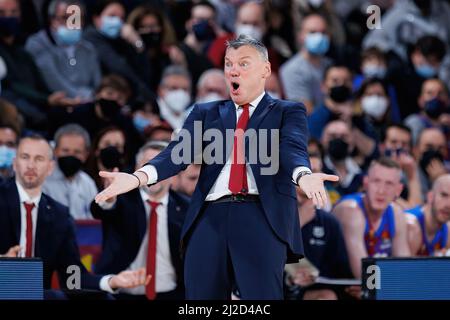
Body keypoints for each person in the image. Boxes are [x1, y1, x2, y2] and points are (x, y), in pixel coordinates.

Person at [95, 35, 338, 300]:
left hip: (261, 215)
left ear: (266, 70)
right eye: (228, 64)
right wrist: (136, 178)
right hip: (209, 217)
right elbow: (178, 153)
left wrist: (303, 176)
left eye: (244, 64)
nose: (233, 70)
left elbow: (291, 149)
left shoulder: (287, 111)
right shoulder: (205, 113)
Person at [0, 135, 150, 295]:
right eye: (25, 157)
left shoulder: (59, 215)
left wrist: (112, 281)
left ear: (50, 167)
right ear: (15, 163)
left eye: (39, 159)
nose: (31, 164)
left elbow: (73, 277)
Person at [91, 141, 190, 300]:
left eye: (160, 167)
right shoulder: (124, 199)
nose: (154, 175)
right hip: (122, 294)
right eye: (147, 166)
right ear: (138, 170)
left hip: (172, 294)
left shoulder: (186, 207)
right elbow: (101, 210)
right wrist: (109, 198)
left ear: (172, 173)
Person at [333, 157, 411, 280]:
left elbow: (406, 269)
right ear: (366, 183)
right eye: (376, 181)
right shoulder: (351, 212)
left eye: (389, 184)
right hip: (336, 286)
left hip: (370, 287)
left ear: (398, 190)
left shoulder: (397, 214)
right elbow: (364, 275)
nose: (381, 191)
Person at [25, 0, 101, 102]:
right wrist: (86, 98)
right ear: (52, 19)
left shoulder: (88, 48)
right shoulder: (38, 44)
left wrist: (98, 97)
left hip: (90, 102)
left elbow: (98, 84)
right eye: (66, 18)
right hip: (57, 104)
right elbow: (54, 82)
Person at [42, 124, 98, 220]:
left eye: (77, 152)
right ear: (55, 151)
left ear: (85, 155)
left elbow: (94, 220)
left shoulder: (88, 183)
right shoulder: (42, 180)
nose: (70, 155)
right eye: (65, 150)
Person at [280, 13, 332, 113]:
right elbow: (306, 112)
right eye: (312, 32)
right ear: (301, 36)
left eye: (323, 32)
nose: (319, 36)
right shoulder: (292, 70)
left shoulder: (330, 64)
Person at [406, 174, 450, 256]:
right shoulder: (411, 226)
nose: (448, 204)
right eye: (444, 195)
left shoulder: (447, 230)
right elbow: (402, 268)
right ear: (430, 197)